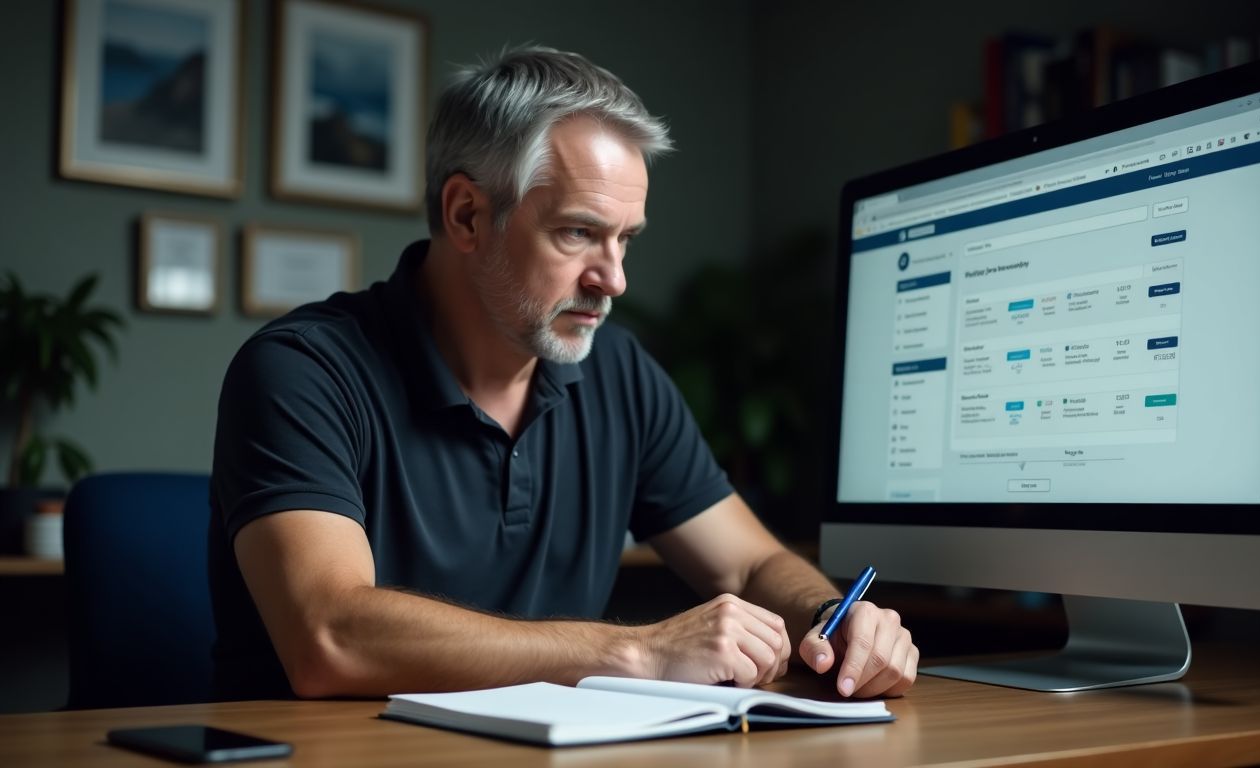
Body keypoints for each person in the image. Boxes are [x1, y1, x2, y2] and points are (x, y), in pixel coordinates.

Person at [208, 46, 917, 702]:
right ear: (466, 215)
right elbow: (329, 636)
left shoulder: (619, 371)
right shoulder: (302, 371)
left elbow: (751, 566)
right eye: (578, 232)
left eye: (626, 239)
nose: (614, 279)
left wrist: (833, 613)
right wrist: (635, 653)